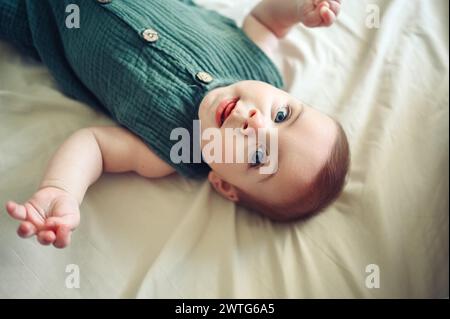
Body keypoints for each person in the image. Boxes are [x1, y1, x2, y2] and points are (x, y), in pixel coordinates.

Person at [2, 0, 349, 248]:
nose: (256, 124)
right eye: (282, 116)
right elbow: (269, 19)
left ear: (224, 185)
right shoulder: (257, 65)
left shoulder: (170, 152)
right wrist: (297, 9)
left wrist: (62, 190)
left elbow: (94, 146)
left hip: (37, 16)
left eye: (259, 155)